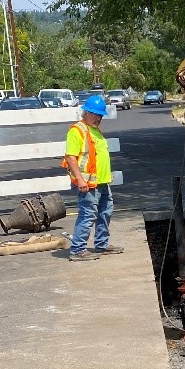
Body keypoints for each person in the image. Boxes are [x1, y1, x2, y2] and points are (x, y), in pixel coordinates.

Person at [62, 94, 122, 262]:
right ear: (86, 112)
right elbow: (70, 157)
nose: (99, 118)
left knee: (105, 212)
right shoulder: (77, 131)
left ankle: (101, 244)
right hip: (87, 184)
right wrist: (80, 180)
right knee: (88, 215)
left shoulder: (94, 130)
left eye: (101, 115)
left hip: (101, 182)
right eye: (96, 114)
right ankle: (78, 249)